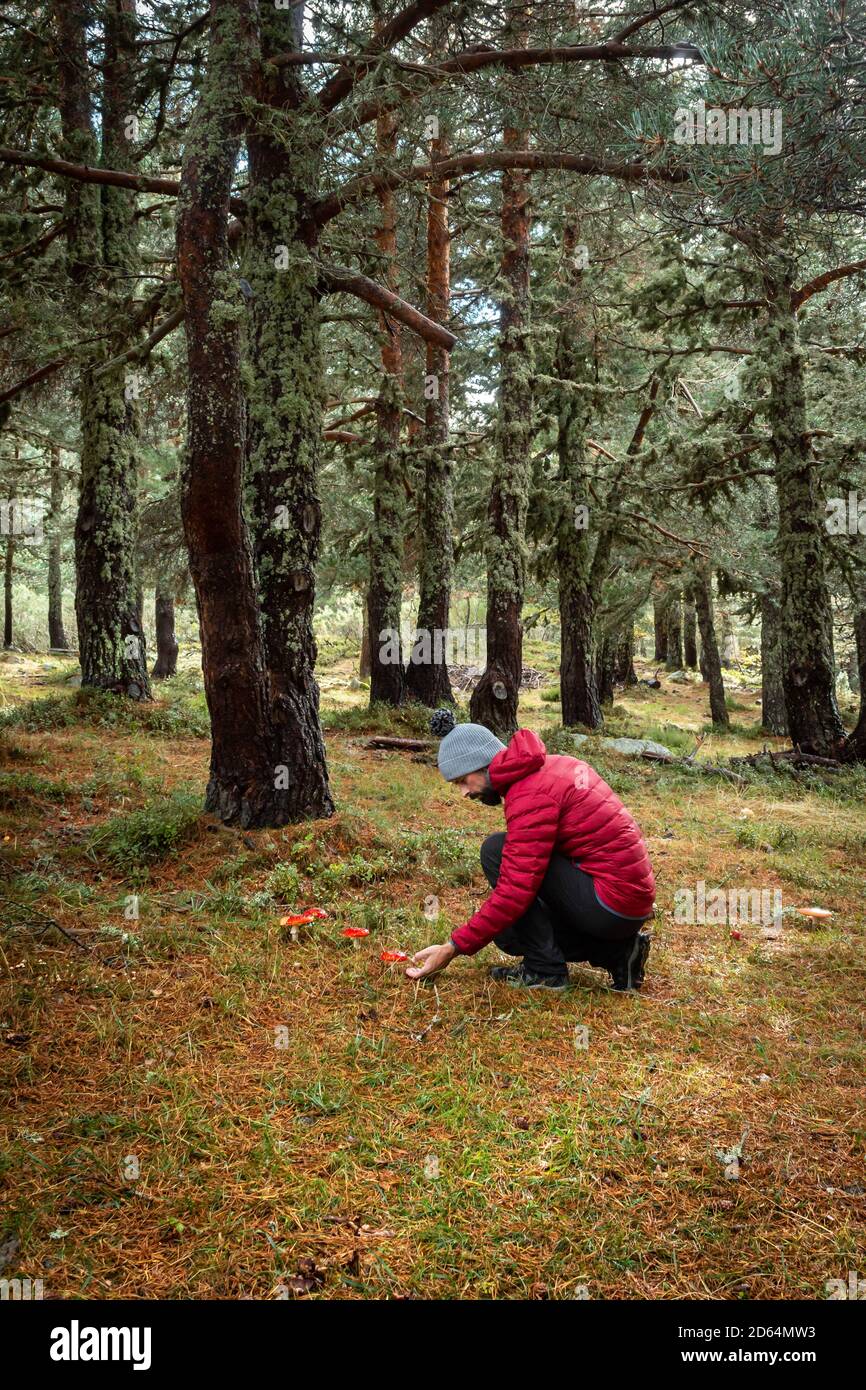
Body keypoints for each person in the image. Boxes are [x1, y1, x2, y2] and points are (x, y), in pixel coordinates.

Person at [406, 717, 655, 991]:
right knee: (506, 932)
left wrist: (452, 947)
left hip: (611, 902)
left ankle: (546, 971)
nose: (464, 792)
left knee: (495, 852)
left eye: (463, 780)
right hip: (623, 901)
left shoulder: (531, 793)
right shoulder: (544, 768)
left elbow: (515, 891)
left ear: (483, 765)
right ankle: (620, 953)